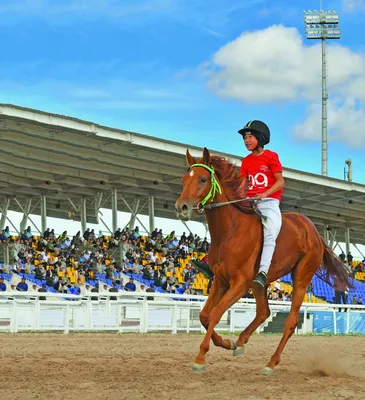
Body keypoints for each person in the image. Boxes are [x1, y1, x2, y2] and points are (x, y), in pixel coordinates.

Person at [238, 120, 285, 288]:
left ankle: (263, 272)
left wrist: (264, 194)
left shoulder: (271, 156)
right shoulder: (245, 161)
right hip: (250, 203)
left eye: (250, 137)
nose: (246, 140)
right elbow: (242, 185)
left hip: (269, 202)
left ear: (260, 138)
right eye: (244, 138)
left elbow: (280, 182)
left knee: (270, 234)